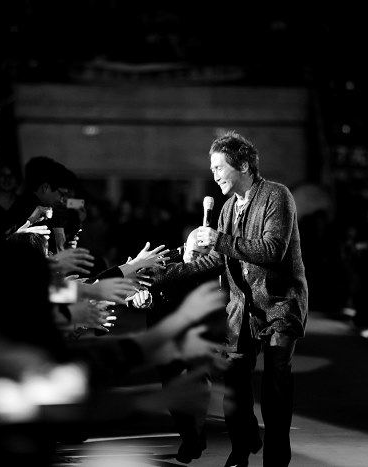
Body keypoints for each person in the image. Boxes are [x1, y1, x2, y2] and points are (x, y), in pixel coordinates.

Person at [151, 130, 309, 467]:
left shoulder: (276, 196)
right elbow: (215, 261)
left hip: (280, 303)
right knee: (234, 382)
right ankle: (242, 447)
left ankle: (276, 460)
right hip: (242, 308)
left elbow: (272, 249)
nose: (214, 175)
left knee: (276, 381)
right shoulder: (226, 209)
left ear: (243, 166)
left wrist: (219, 240)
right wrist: (161, 274)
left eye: (218, 167)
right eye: (212, 169)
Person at [130, 227, 225, 464]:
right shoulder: (163, 262)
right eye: (194, 254)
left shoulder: (214, 266)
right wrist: (140, 298)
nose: (197, 261)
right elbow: (137, 287)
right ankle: (191, 435)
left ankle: (193, 438)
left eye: (203, 255)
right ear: (184, 246)